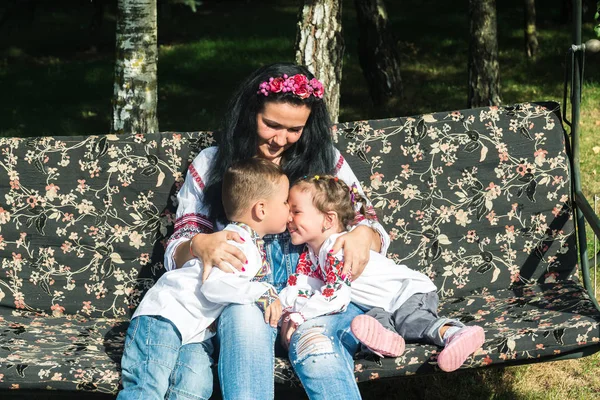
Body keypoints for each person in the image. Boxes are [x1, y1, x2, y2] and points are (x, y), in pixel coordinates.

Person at [164, 63, 390, 399]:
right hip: (245, 300)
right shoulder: (213, 164)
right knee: (244, 323)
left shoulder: (326, 161)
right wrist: (200, 244)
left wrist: (360, 235)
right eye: (271, 124)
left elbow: (372, 227)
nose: (280, 139)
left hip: (314, 299)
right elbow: (178, 250)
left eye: (294, 129)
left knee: (319, 351)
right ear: (249, 112)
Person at [118, 158, 291, 400]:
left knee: (194, 389)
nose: (289, 208)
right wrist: (262, 292)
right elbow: (214, 286)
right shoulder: (237, 243)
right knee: (148, 387)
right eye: (284, 202)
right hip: (166, 317)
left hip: (196, 332)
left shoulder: (247, 242)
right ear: (261, 209)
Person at [280, 175, 485, 373]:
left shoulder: (337, 248)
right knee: (371, 324)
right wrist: (281, 307)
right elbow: (304, 286)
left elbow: (336, 296)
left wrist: (302, 315)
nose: (288, 218)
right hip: (378, 305)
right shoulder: (313, 255)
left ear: (328, 219)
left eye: (296, 212)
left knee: (410, 321)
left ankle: (456, 333)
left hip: (407, 292)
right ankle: (389, 341)